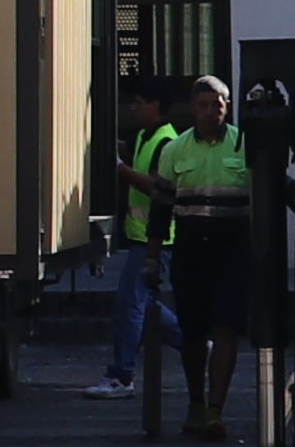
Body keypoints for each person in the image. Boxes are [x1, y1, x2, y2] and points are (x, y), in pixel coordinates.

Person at [149, 78, 256, 422]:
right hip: (191, 253)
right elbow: (161, 207)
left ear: (228, 106)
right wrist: (152, 257)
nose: (211, 112)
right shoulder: (175, 150)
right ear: (193, 107)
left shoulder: (245, 145)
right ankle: (196, 402)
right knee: (193, 332)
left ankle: (215, 410)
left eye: (218, 105)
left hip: (233, 254)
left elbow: (273, 192)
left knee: (225, 329)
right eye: (204, 105)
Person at [82, 72, 172, 396]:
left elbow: (156, 186)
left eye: (139, 103)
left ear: (155, 105)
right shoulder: (148, 136)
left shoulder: (165, 141)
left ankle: (122, 375)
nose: (134, 108)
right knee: (146, 307)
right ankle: (197, 344)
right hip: (143, 237)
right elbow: (127, 148)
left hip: (156, 241)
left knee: (130, 306)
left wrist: (120, 169)